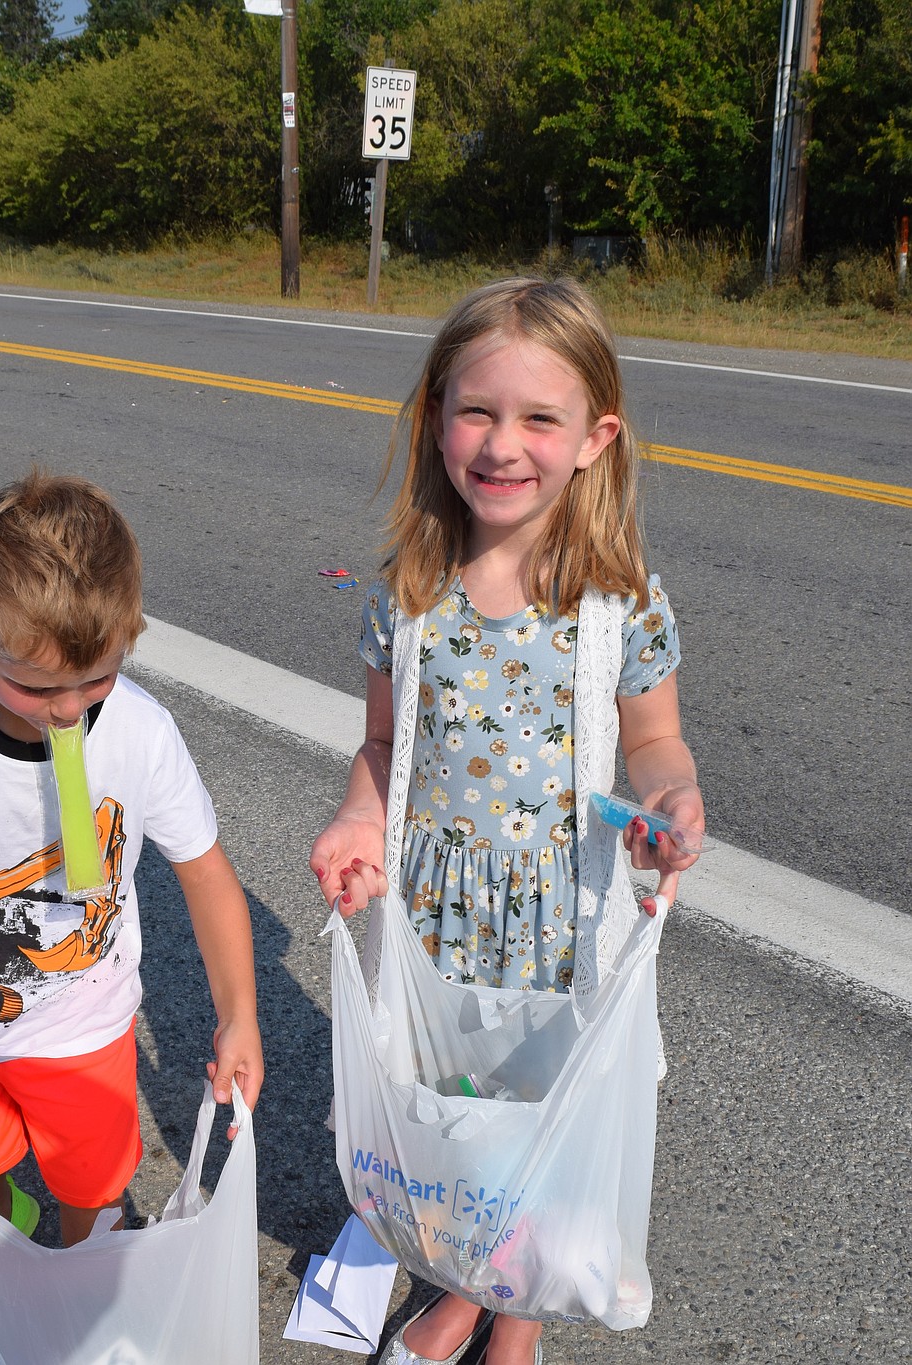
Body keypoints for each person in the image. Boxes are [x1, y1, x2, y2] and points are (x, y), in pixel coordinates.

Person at [309, 277, 704, 1365]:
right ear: (436, 415)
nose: (501, 444)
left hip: (562, 915)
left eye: (540, 418)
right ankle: (458, 1283)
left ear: (594, 438)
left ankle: (517, 1311)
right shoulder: (408, 592)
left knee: (547, 1114)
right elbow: (385, 747)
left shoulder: (622, 601)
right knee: (450, 1112)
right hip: (440, 912)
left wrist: (672, 797)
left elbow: (657, 743)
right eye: (477, 411)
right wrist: (356, 814)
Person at [0, 470, 263, 1248]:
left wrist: (239, 1014)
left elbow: (206, 874)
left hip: (82, 1025)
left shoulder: (139, 730)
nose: (70, 709)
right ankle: (6, 1241)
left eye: (98, 676)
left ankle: (81, 1292)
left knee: (95, 1195)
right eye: (36, 687)